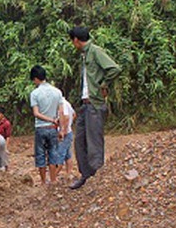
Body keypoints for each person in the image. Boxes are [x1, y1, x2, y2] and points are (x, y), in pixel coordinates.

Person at [68, 26, 121, 190]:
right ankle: (86, 176)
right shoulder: (85, 55)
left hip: (95, 104)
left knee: (94, 143)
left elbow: (114, 68)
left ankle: (98, 180)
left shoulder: (95, 51)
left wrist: (103, 85)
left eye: (72, 40)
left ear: (76, 40)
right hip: (85, 104)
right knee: (79, 142)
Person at [29, 65, 66, 185]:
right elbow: (61, 112)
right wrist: (61, 129)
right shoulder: (57, 92)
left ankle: (44, 181)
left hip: (41, 127)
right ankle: (53, 180)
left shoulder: (35, 93)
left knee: (40, 154)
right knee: (52, 153)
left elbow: (36, 113)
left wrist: (49, 119)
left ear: (35, 79)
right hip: (53, 128)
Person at [56, 96, 76, 180]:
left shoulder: (63, 104)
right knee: (68, 155)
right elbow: (74, 114)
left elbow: (67, 117)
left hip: (65, 134)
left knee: (60, 155)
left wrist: (63, 130)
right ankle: (68, 174)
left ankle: (53, 176)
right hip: (69, 132)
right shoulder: (67, 103)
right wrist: (69, 126)